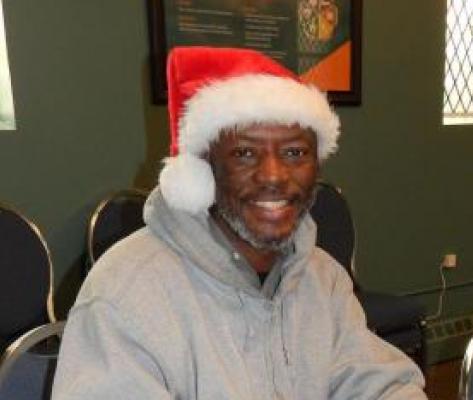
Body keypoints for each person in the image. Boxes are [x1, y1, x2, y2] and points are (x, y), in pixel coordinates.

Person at [52, 46, 427, 399]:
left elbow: (378, 384)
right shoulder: (124, 296)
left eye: (295, 152)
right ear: (203, 170)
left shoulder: (322, 278)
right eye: (245, 153)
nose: (274, 176)